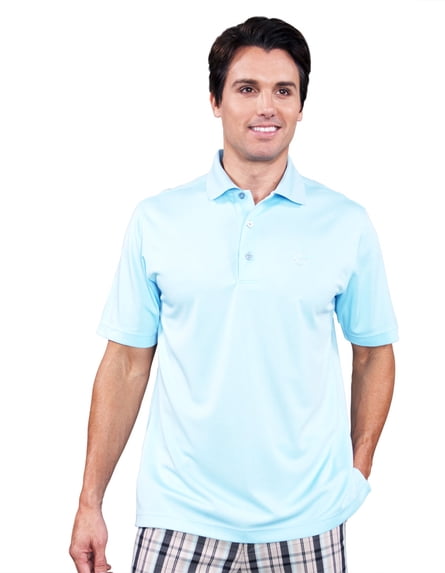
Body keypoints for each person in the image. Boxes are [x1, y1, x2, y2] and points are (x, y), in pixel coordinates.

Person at [70, 16, 397, 573]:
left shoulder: (346, 224)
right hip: (179, 517)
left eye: (283, 91)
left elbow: (373, 353)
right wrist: (89, 502)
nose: (267, 106)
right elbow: (125, 363)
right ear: (215, 101)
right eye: (247, 88)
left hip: (308, 521)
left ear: (301, 105)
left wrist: (357, 472)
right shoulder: (157, 220)